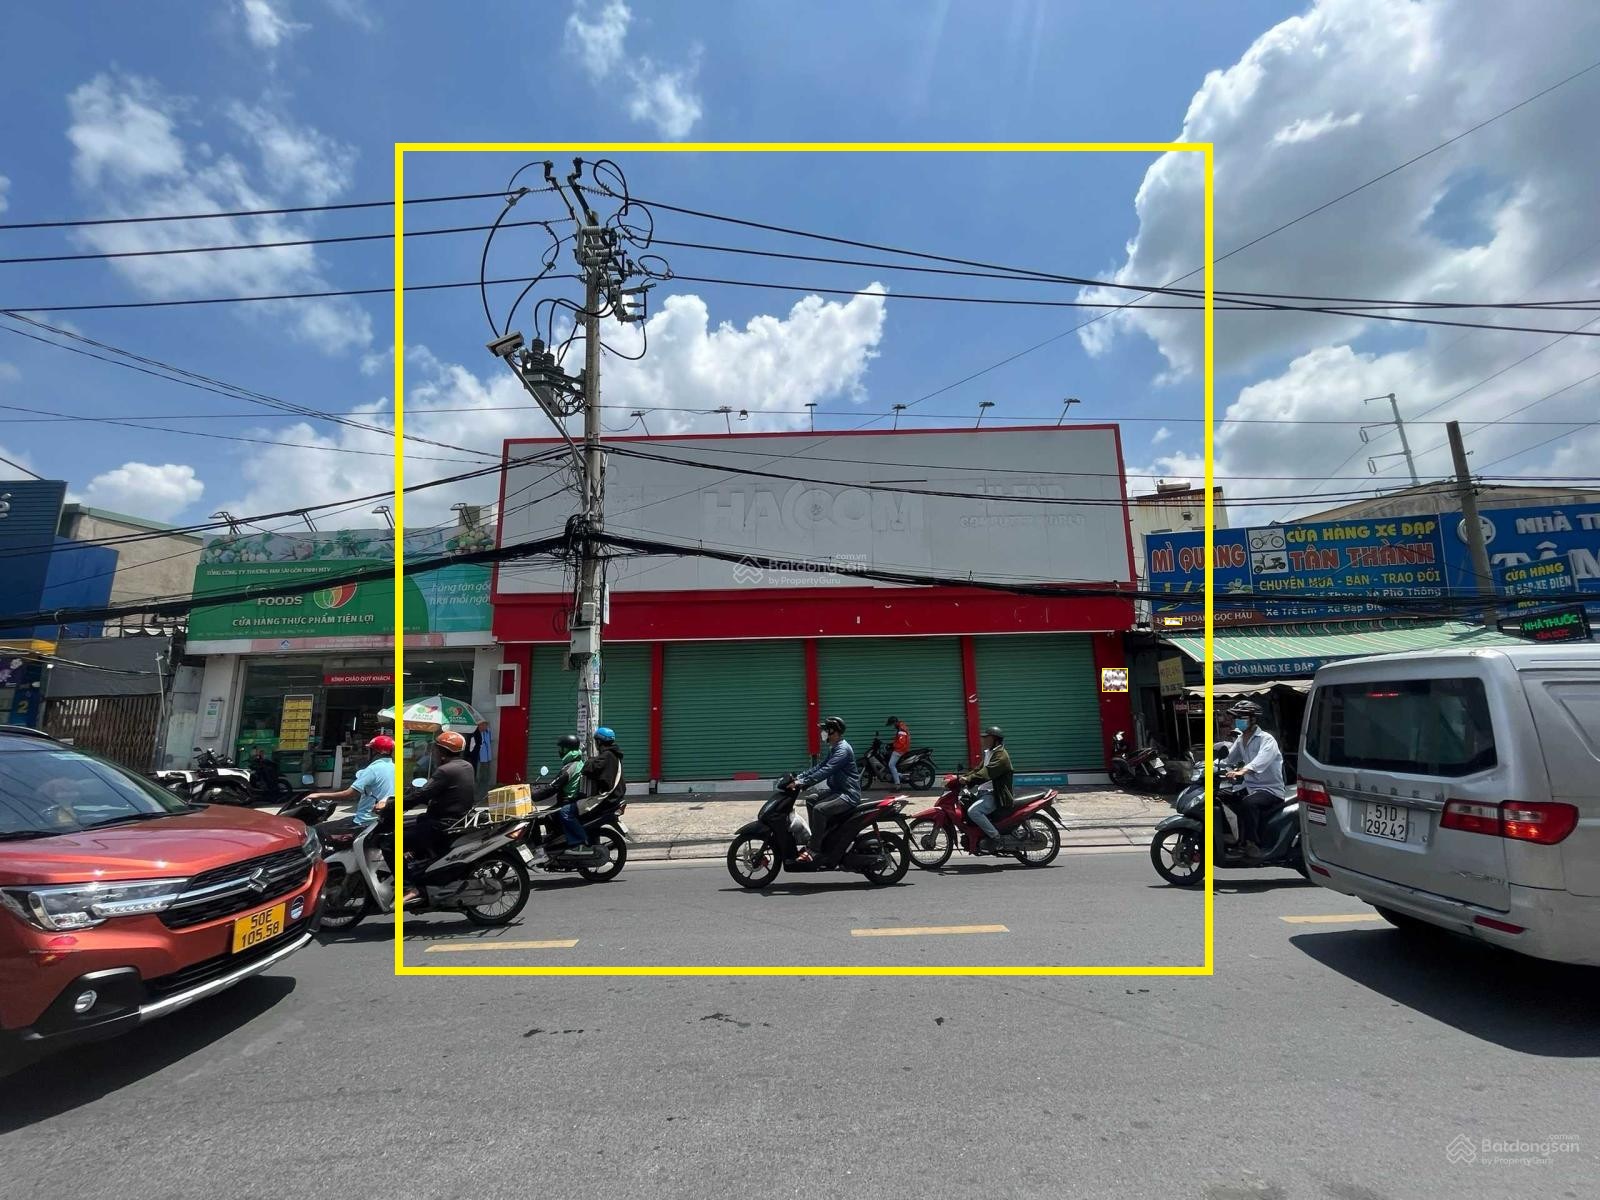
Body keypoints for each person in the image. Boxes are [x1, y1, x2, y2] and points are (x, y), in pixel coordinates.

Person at [400, 730, 478, 904]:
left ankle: (408, 886)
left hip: (442, 824)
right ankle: (420, 865)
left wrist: (393, 805)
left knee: (390, 843)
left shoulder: (445, 770)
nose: (433, 752)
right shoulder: (467, 766)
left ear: (442, 752)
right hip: (454, 819)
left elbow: (423, 794)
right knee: (413, 823)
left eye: (435, 749)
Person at [1220, 700, 1288, 857]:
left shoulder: (1266, 739)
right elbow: (1229, 759)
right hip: (1249, 787)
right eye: (1236, 717)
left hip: (1270, 789)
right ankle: (1231, 835)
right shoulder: (1241, 739)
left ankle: (1252, 843)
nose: (1238, 721)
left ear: (1253, 719)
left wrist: (1242, 771)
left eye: (1241, 717)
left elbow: (1261, 760)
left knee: (1248, 803)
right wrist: (1208, 766)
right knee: (1217, 797)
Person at [787, 716, 859, 863]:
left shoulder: (842, 750)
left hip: (847, 794)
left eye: (826, 730)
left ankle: (814, 850)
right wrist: (799, 777)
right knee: (811, 800)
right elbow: (820, 766)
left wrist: (803, 782)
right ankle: (818, 839)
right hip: (837, 791)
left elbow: (827, 770)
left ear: (834, 732)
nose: (823, 733)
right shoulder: (835, 748)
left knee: (819, 809)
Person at [302, 734, 394, 828]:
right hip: (382, 820)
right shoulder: (394, 768)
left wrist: (317, 795)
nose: (367, 753)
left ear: (375, 751)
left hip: (365, 821)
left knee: (317, 829)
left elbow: (349, 794)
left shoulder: (372, 770)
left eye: (369, 750)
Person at [531, 733, 594, 860]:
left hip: (567, 802)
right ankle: (555, 844)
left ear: (567, 749)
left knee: (535, 818)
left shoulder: (570, 767)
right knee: (547, 817)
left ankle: (541, 851)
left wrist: (534, 795)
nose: (559, 751)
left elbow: (554, 786)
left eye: (561, 748)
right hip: (568, 801)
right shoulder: (576, 763)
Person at [960, 725, 1015, 851]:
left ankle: (997, 838)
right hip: (983, 792)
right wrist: (963, 777)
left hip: (995, 794)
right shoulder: (990, 753)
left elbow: (986, 773)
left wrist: (968, 779)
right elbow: (978, 770)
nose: (983, 740)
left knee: (974, 811)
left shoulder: (1001, 756)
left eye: (987, 738)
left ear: (995, 740)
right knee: (964, 802)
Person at [885, 715, 911, 788]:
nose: (892, 726)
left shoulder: (901, 730)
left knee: (891, 765)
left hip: (900, 749)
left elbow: (901, 742)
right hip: (901, 748)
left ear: (895, 722)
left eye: (892, 724)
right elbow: (899, 739)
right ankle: (900, 775)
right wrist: (892, 743)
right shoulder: (900, 727)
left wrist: (893, 745)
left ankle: (897, 784)